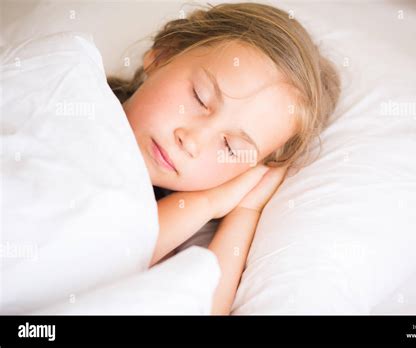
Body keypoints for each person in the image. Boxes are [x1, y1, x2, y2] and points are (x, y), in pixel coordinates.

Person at [107, 2, 341, 314]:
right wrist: (207, 202)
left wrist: (243, 209)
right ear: (162, 54)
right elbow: (98, 255)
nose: (192, 140)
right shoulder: (71, 100)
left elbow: (202, 306)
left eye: (231, 147)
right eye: (200, 97)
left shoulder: (179, 217)